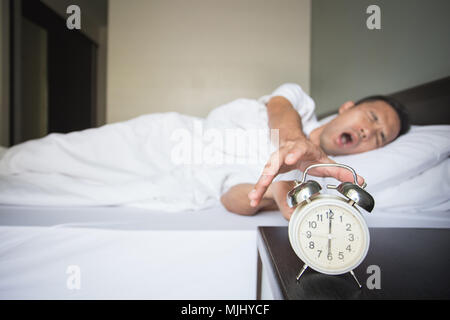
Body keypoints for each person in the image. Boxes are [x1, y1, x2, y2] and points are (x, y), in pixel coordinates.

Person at [220, 83, 410, 220]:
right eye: (371, 117)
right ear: (347, 108)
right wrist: (295, 143)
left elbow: (229, 198)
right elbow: (279, 107)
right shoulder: (301, 105)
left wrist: (277, 190)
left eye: (380, 137)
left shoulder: (318, 181)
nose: (367, 131)